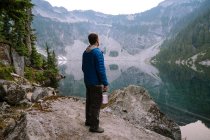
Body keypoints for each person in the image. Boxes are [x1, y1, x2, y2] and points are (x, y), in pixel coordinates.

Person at [82, 33, 109, 133]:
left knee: (89, 102)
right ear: (97, 40)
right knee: (96, 104)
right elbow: (101, 70)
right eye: (99, 38)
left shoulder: (85, 52)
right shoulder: (97, 52)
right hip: (96, 83)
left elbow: (83, 68)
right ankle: (94, 127)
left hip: (88, 82)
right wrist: (105, 83)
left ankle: (88, 121)